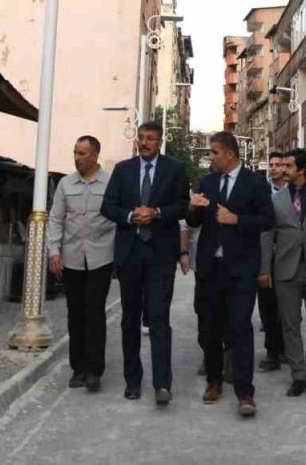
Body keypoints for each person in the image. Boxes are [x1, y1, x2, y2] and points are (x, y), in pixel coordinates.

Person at [187, 131, 276, 417]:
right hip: (211, 268)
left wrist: (236, 219)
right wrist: (192, 208)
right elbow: (193, 221)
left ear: (230, 153)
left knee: (240, 327)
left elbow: (267, 220)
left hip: (241, 269)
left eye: (214, 152)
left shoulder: (255, 183)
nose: (211, 158)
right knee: (210, 327)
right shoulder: (208, 182)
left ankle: (245, 391)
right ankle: (214, 381)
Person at [100, 122, 189, 406]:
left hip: (161, 255)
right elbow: (107, 206)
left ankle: (162, 384)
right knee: (130, 319)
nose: (144, 142)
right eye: (141, 138)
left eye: (150, 138)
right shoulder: (123, 170)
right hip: (130, 253)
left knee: (159, 318)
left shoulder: (174, 169)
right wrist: (130, 216)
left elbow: (183, 206)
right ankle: (133, 381)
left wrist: (157, 212)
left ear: (160, 142)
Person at [47, 135, 114, 393]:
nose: (77, 158)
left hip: (101, 257)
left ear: (95, 156)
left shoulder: (111, 182)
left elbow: (118, 217)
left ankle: (95, 370)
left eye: (82, 153)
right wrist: (54, 252)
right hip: (72, 258)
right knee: (75, 313)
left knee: (95, 312)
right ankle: (78, 368)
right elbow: (56, 219)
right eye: (75, 152)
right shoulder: (65, 184)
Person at [259, 148, 306, 397]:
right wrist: (264, 269)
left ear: (301, 169)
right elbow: (267, 236)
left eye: (288, 166)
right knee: (289, 324)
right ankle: (298, 375)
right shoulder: (275, 199)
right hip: (285, 269)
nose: (282, 170)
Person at [256, 151, 289, 372]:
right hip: (265, 256)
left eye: (279, 164)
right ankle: (272, 352)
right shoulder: (261, 192)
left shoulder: (294, 194)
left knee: (287, 306)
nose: (275, 168)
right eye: (272, 164)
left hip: (288, 257)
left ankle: (286, 347)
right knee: (267, 305)